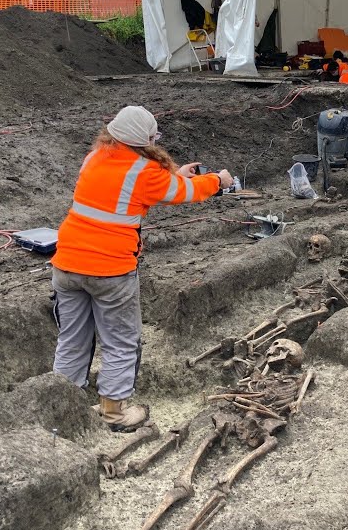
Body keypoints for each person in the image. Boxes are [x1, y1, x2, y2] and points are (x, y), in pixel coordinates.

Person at [50, 106, 234, 432]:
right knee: (120, 342)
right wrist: (217, 181)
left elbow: (137, 186)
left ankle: (64, 411)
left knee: (72, 340)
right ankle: (114, 415)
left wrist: (177, 176)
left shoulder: (93, 158)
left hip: (66, 264)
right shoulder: (145, 172)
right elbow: (185, 193)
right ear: (146, 140)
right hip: (111, 271)